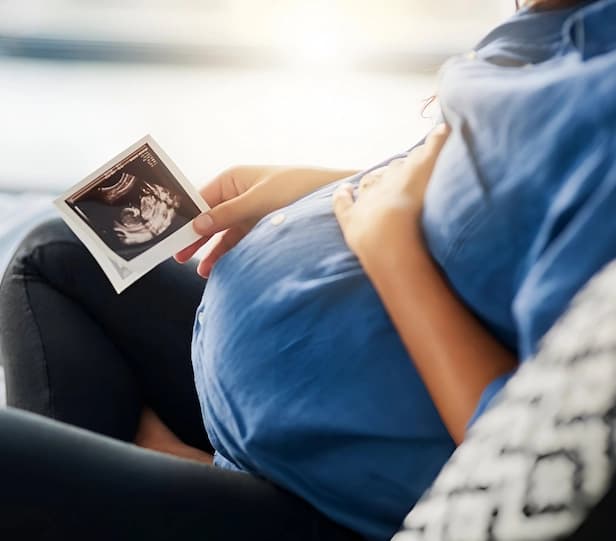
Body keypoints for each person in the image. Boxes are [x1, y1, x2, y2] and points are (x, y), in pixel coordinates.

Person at [1, 0, 614, 539]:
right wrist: (328, 187)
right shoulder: (568, 24)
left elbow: (526, 460)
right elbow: (491, 195)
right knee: (54, 255)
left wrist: (390, 246)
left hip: (342, 498)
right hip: (296, 412)